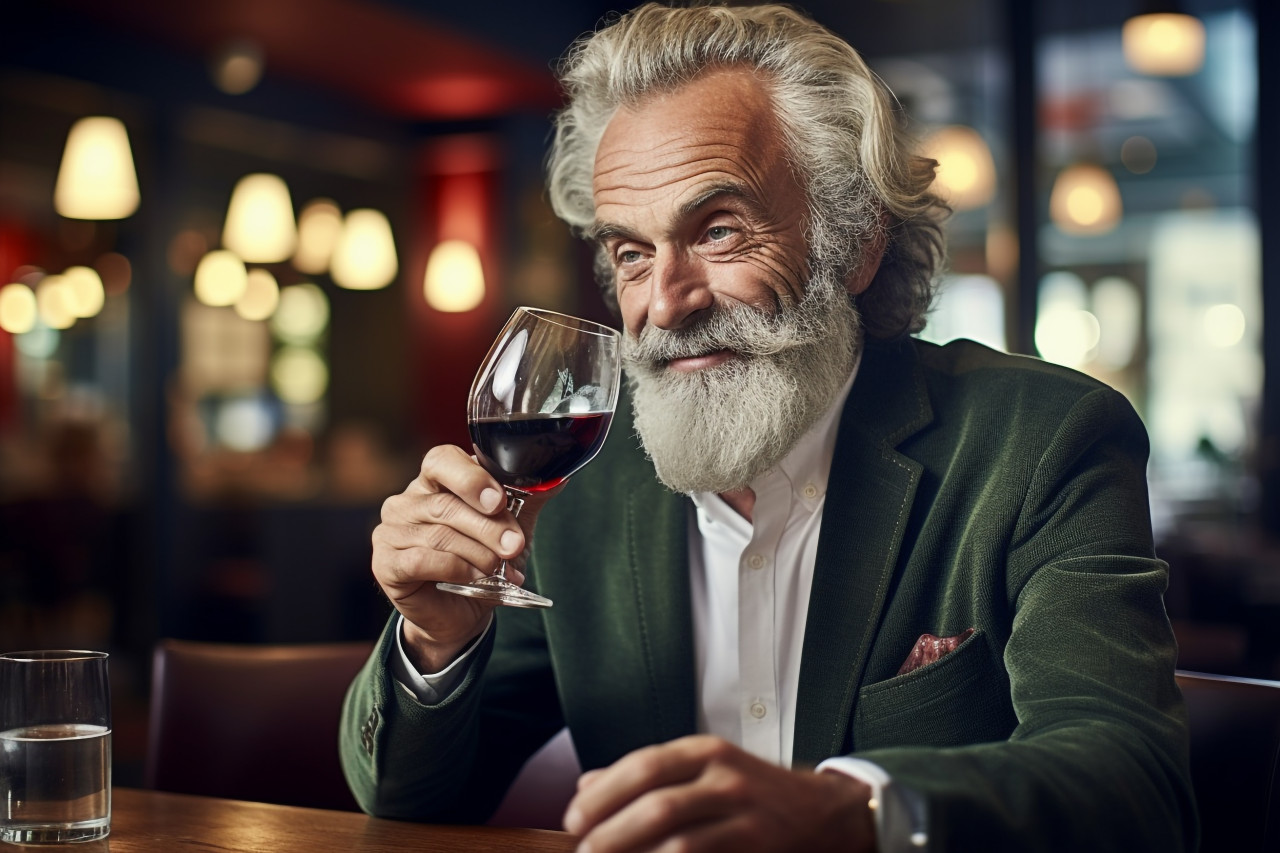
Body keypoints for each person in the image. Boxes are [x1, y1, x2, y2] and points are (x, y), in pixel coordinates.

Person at [339, 4, 1197, 851]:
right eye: (632, 252)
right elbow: (412, 798)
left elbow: (1137, 788)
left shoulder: (1045, 438)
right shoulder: (581, 484)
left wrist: (855, 812)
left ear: (854, 243)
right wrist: (435, 640)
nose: (665, 303)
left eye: (718, 231)